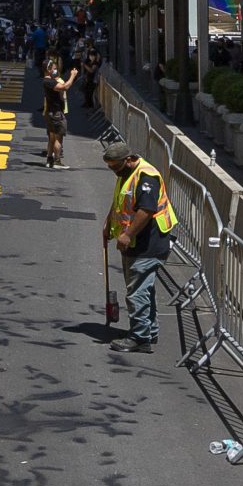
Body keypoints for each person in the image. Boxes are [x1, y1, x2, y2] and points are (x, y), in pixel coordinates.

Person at [103, 138, 176, 355]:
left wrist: (127, 235)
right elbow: (121, 201)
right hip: (138, 242)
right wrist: (108, 223)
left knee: (137, 292)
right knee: (145, 289)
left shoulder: (146, 177)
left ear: (128, 160)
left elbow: (146, 210)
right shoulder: (127, 174)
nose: (114, 171)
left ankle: (140, 337)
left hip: (148, 243)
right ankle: (149, 330)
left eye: (116, 167)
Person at [42, 55, 73, 169]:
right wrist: (73, 76)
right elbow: (65, 87)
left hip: (51, 112)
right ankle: (57, 161)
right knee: (58, 138)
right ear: (48, 69)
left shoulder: (49, 81)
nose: (55, 71)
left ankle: (49, 159)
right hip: (56, 113)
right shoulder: (49, 82)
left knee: (51, 137)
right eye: (54, 68)